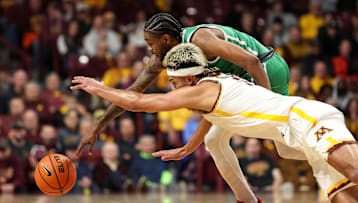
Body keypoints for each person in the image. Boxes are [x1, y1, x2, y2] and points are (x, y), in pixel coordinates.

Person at [72, 43, 358, 203]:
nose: (172, 87)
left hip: (308, 119)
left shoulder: (203, 90)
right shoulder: (210, 94)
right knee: (346, 196)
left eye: (173, 81)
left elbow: (140, 102)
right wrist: (187, 148)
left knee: (356, 172)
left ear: (188, 77)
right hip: (296, 138)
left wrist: (99, 88)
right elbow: (210, 124)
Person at [78, 12, 290, 171]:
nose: (149, 49)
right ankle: (248, 199)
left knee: (283, 144)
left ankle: (321, 144)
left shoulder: (200, 40)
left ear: (167, 40)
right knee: (214, 141)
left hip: (266, 69)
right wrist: (98, 125)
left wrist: (267, 102)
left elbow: (251, 61)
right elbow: (133, 91)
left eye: (150, 43)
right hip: (238, 82)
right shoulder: (164, 59)